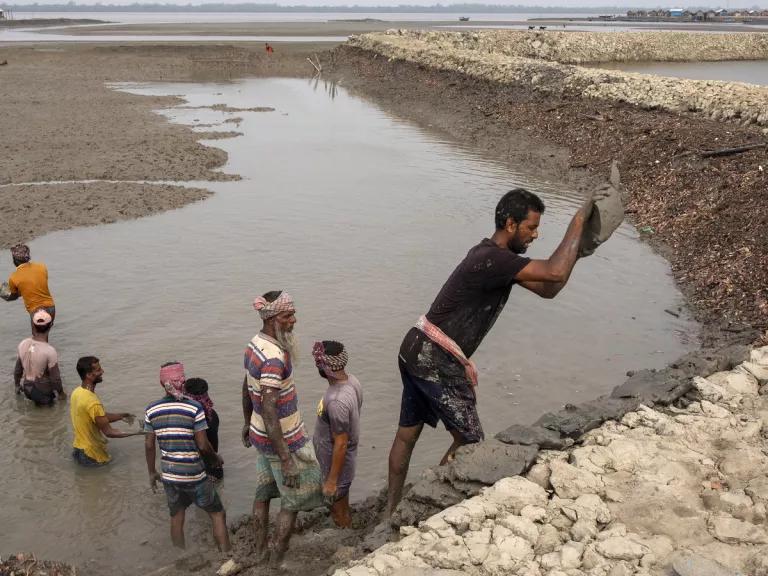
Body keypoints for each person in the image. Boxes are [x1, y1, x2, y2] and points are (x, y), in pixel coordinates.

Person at [387, 186, 608, 516]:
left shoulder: (492, 256)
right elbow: (554, 271)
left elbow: (551, 288)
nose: (535, 234)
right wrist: (578, 222)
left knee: (408, 435)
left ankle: (393, 511)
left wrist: (576, 250)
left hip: (417, 346)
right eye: (531, 227)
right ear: (510, 224)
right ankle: (422, 506)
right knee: (471, 442)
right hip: (433, 357)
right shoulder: (493, 259)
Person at [242, 291, 323, 567]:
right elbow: (269, 409)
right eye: (288, 316)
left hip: (260, 436)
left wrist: (246, 422)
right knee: (293, 500)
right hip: (285, 440)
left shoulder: (254, 344)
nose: (294, 321)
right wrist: (287, 459)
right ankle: (276, 561)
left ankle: (261, 551)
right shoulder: (275, 358)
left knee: (263, 494)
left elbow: (246, 385)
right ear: (273, 319)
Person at [144, 362, 230, 552]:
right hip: (194, 473)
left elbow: (149, 445)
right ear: (182, 381)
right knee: (217, 513)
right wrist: (216, 459)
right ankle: (226, 557)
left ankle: (180, 558)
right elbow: (202, 445)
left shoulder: (151, 410)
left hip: (169, 475)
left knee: (177, 516)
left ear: (161, 383)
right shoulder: (194, 408)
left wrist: (152, 472)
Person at [312, 340, 363, 528]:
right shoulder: (352, 381)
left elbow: (341, 443)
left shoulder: (336, 401)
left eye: (318, 363)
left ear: (326, 367)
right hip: (344, 459)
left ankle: (346, 537)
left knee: (337, 508)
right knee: (342, 501)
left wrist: (331, 482)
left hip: (337, 463)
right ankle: (347, 523)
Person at [70, 356, 142, 467]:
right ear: (89, 375)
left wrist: (121, 416)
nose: (102, 371)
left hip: (78, 449)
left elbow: (97, 416)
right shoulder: (93, 402)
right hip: (92, 456)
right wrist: (138, 432)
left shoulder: (77, 392)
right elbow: (109, 433)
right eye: (98, 370)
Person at [14, 309, 64, 406]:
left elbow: (17, 370)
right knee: (50, 416)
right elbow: (56, 379)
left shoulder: (23, 344)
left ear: (33, 325)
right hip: (43, 393)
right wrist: (62, 394)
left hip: (27, 389)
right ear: (51, 326)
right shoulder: (50, 351)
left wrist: (17, 386)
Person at [1, 244, 55, 321]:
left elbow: (13, 296)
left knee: (38, 333)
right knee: (46, 330)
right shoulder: (42, 267)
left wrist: (2, 292)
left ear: (15, 260)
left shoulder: (14, 277)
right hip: (51, 307)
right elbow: (36, 285)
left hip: (35, 310)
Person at [184, 377, 223, 480]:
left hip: (188, 470)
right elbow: (213, 445)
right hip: (211, 469)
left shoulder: (181, 416)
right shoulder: (212, 415)